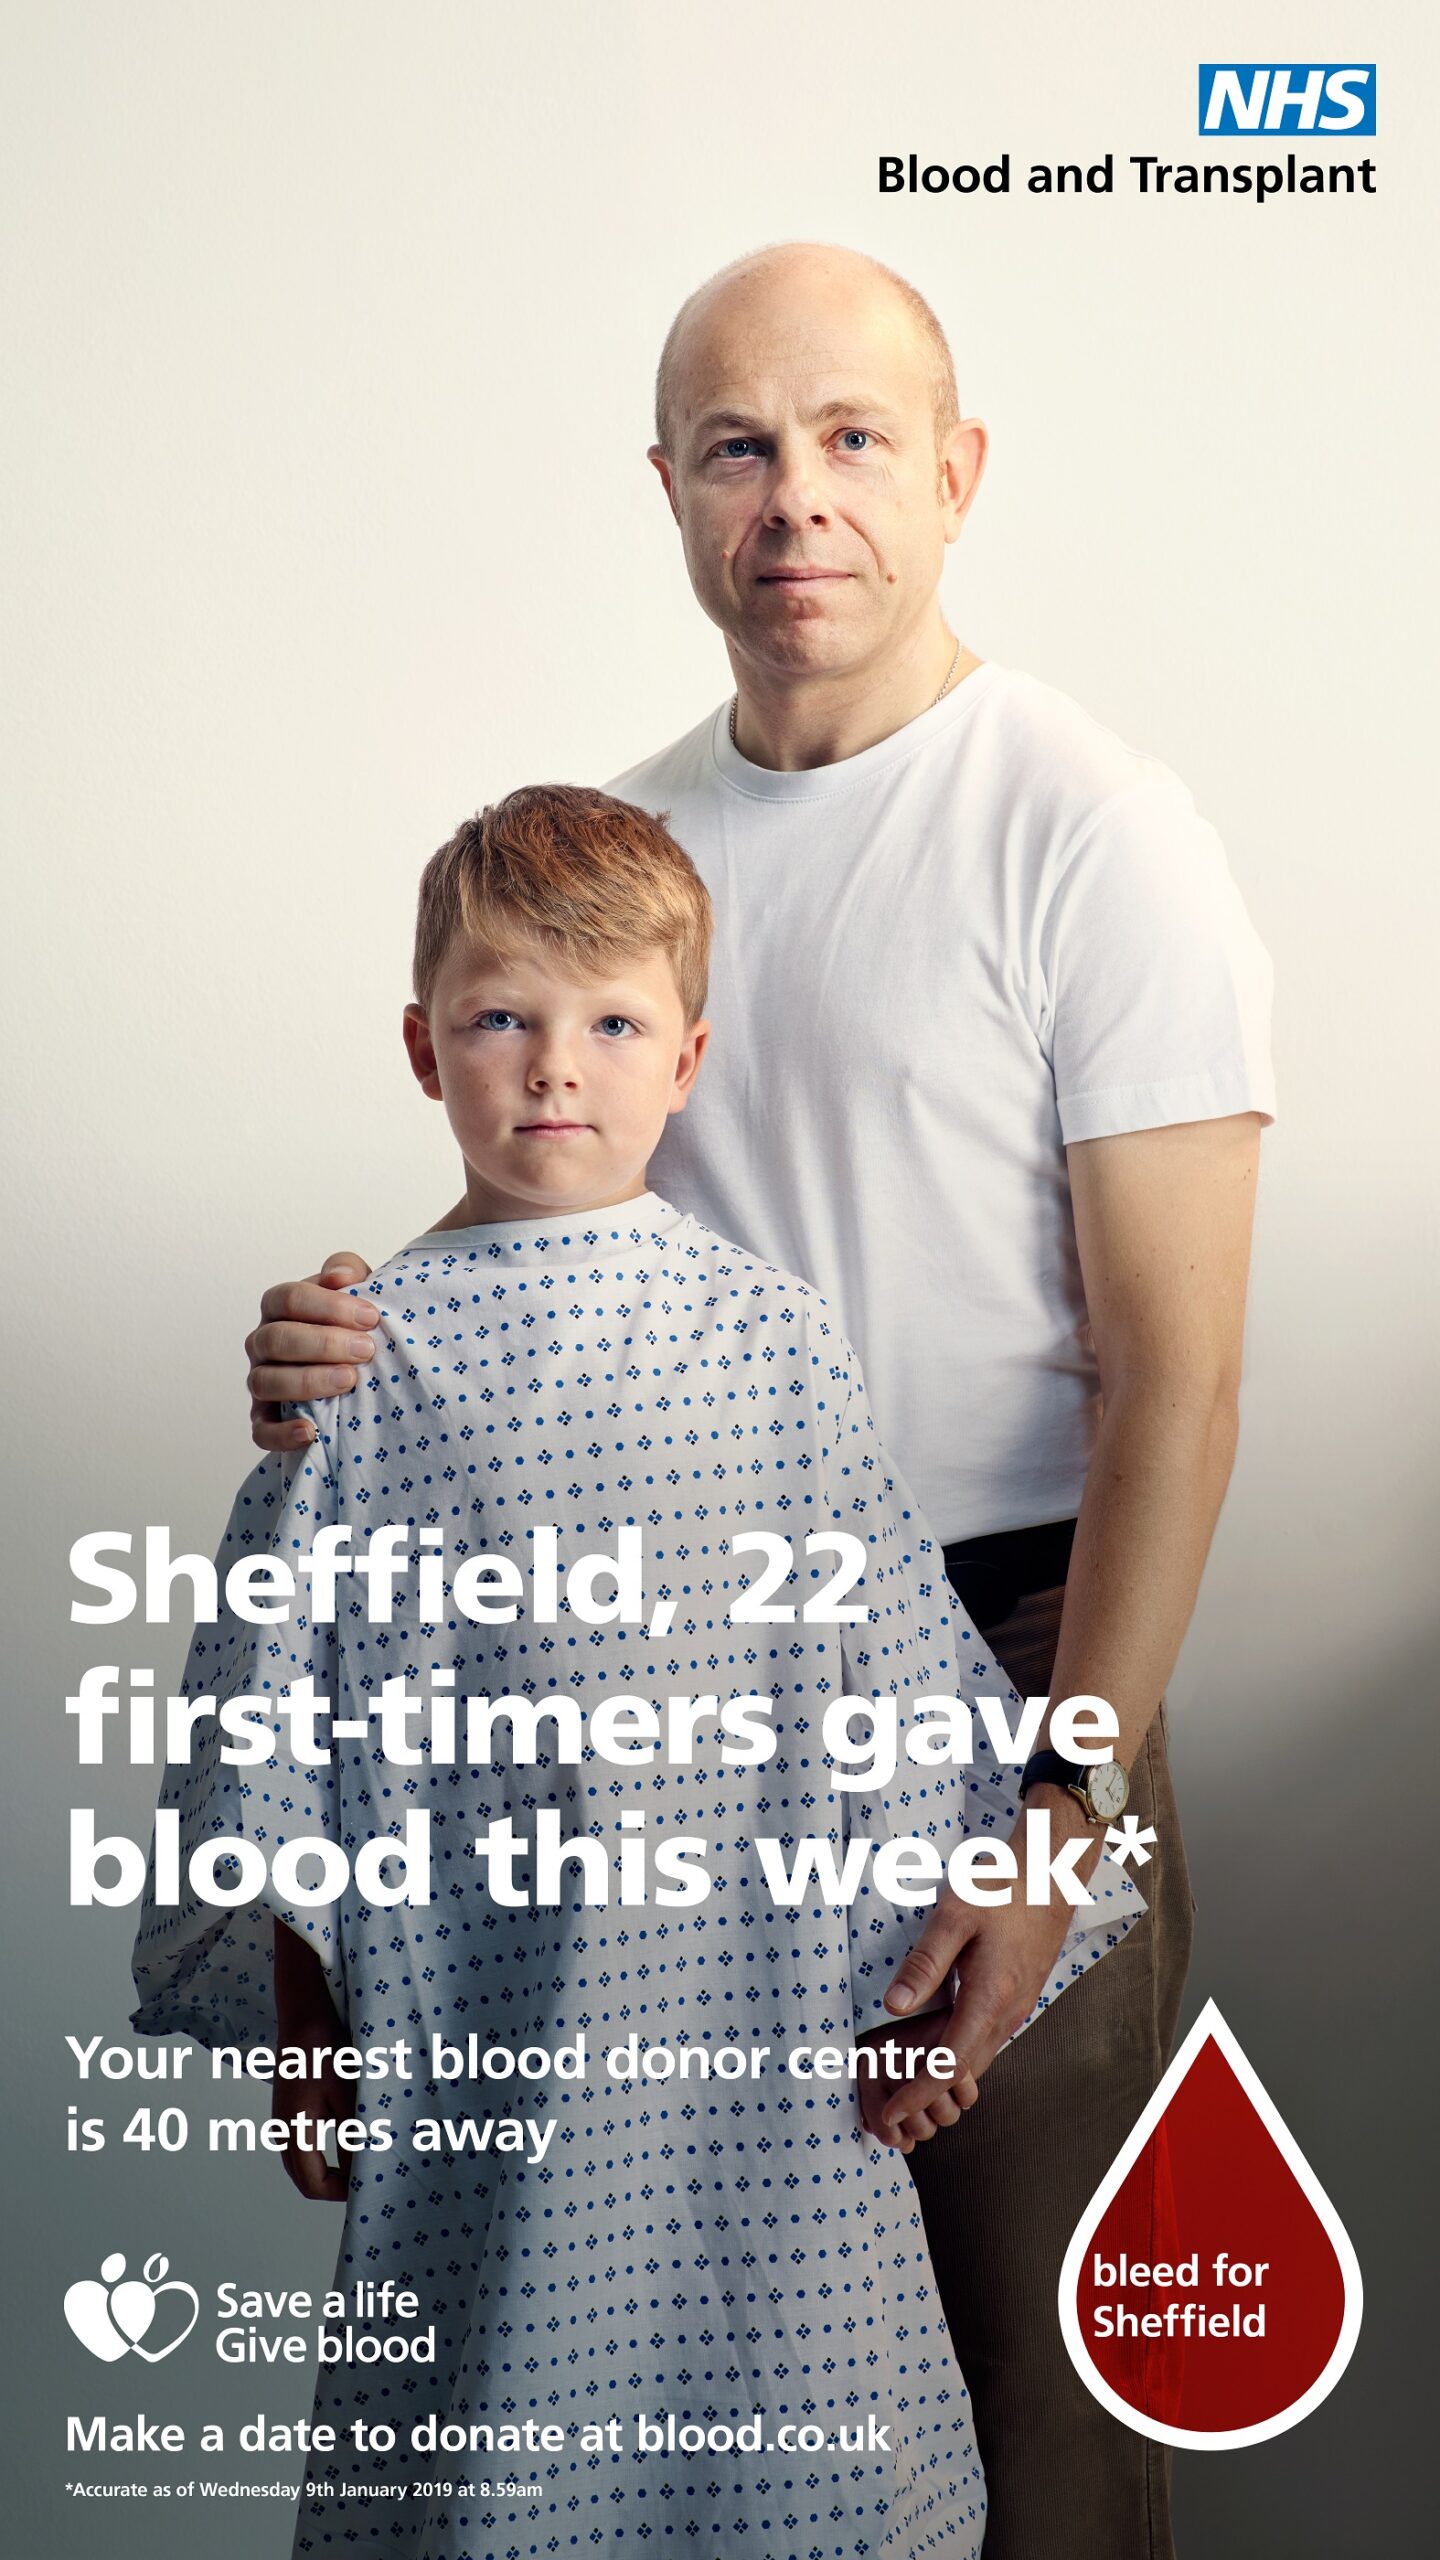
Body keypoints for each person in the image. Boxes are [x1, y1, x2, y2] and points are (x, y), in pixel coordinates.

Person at [241, 245, 1274, 2558]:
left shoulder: (1089, 828)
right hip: (672, 1727)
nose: (795, 497)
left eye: (851, 437)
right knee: (691, 2415)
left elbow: (1180, 1375)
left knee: (1032, 2408)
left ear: (957, 471)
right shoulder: (632, 861)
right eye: (738, 445)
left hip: (1006, 1664)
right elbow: (538, 1231)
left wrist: (1057, 1807)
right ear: (672, 491)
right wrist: (340, 1340)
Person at [134, 785, 1141, 2558]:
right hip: (488, 2019)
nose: (553, 1069)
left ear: (686, 1058)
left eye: (609, 1024)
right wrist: (302, 2008)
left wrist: (916, 1998)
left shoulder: (770, 1334)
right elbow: (269, 1715)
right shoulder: (356, 1365)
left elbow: (875, 1680)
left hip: (752, 2026)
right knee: (485, 2452)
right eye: (501, 1018)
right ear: (421, 1047)